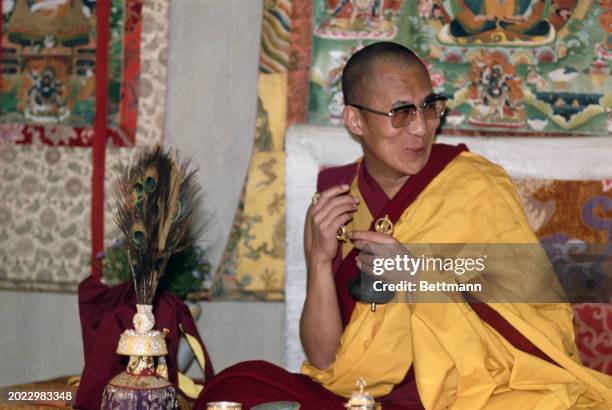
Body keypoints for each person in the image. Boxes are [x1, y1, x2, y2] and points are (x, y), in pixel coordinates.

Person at [195, 42, 612, 409]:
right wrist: (319, 260)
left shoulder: (473, 186)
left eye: (429, 107)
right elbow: (326, 364)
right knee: (233, 387)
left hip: (472, 394)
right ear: (356, 121)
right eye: (400, 113)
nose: (421, 127)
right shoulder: (335, 200)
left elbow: (539, 324)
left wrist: (419, 277)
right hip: (362, 397)